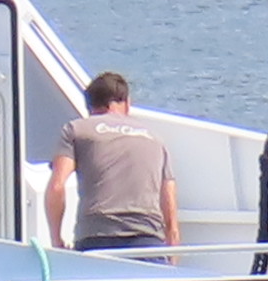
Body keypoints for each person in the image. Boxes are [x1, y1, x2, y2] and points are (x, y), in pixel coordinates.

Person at [47, 70, 179, 252]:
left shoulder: (77, 129)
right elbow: (169, 206)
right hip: (149, 241)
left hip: (97, 238)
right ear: (127, 103)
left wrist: (56, 240)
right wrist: (171, 255)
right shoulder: (155, 139)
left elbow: (57, 186)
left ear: (90, 107)